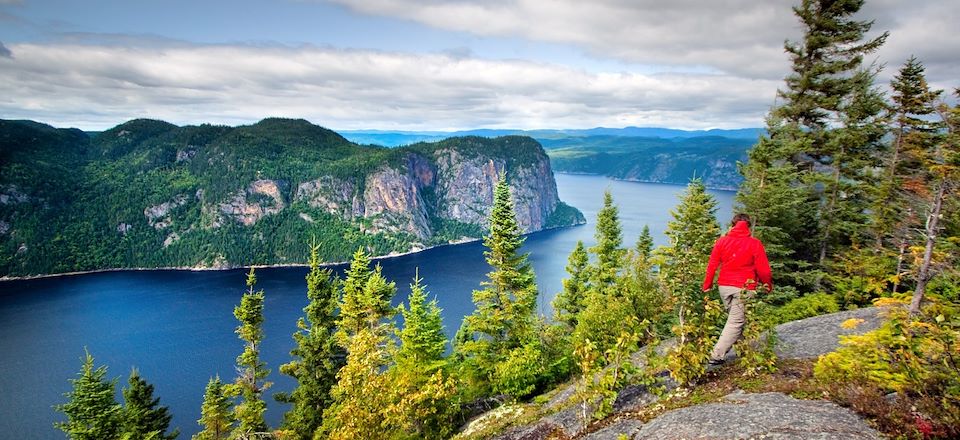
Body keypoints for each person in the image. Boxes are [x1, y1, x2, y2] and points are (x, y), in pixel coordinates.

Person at [702, 213, 772, 366]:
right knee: (736, 321)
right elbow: (764, 270)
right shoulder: (754, 244)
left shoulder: (722, 242)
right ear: (748, 226)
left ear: (732, 225)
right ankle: (716, 355)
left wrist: (707, 285)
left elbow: (712, 265)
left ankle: (745, 351)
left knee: (737, 320)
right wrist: (767, 285)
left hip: (724, 287)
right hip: (744, 287)